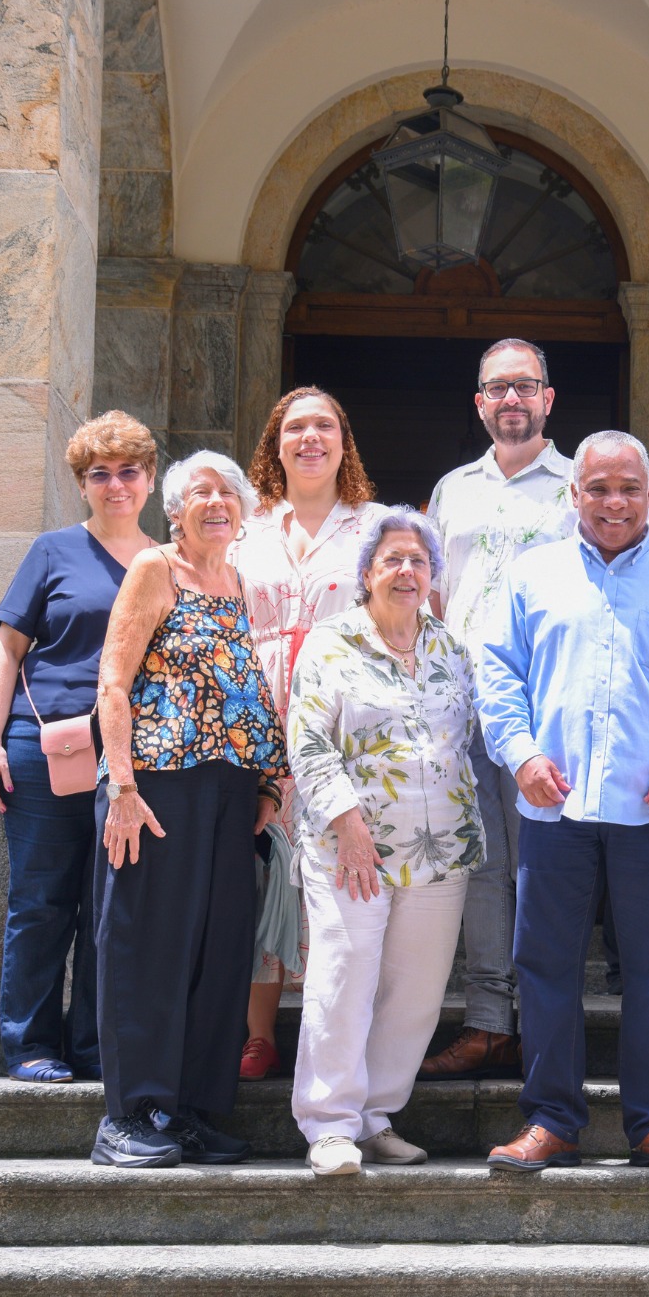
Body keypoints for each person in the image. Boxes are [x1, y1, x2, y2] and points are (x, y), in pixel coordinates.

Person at [478, 431, 649, 1173]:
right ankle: (552, 1119)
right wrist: (521, 753)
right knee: (544, 966)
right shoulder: (532, 576)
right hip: (555, 811)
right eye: (599, 488)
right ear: (575, 493)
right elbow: (496, 677)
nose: (614, 501)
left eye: (628, 487)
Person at [91, 451, 288, 1169]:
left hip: (230, 792)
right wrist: (120, 786)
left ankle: (194, 1111)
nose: (216, 503)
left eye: (228, 494)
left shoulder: (235, 579)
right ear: (174, 510)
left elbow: (240, 692)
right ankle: (131, 1117)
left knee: (219, 953)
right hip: (156, 788)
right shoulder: (155, 568)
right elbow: (112, 681)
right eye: (200, 493)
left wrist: (267, 784)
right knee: (149, 949)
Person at [288, 508, 484, 1176]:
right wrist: (346, 824)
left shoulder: (450, 648)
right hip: (354, 847)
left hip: (439, 848)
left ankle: (374, 1117)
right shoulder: (331, 642)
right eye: (392, 560)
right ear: (367, 573)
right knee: (344, 978)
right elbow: (308, 739)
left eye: (418, 561)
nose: (406, 572)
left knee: (416, 991)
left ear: (434, 577)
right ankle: (331, 1124)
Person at [0, 411, 157, 1083]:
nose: (116, 485)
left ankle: (92, 1046)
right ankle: (30, 1044)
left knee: (108, 904)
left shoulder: (160, 560)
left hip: (127, 760)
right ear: (82, 483)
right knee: (42, 900)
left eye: (128, 472)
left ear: (150, 479)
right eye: (99, 474)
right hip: (43, 748)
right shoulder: (52, 552)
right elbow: (7, 653)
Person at [419, 338, 576, 1080]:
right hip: (461, 703)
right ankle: (487, 1022)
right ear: (479, 403)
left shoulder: (580, 485)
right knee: (480, 865)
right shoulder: (453, 489)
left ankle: (546, 1023)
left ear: (549, 398)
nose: (511, 399)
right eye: (496, 388)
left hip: (546, 703)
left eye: (525, 386)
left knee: (543, 866)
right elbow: (436, 598)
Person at [233, 387, 385, 1081]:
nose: (311, 438)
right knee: (264, 877)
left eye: (325, 424)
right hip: (254, 715)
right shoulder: (244, 527)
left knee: (336, 880)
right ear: (276, 442)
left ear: (344, 440)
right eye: (296, 427)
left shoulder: (375, 527)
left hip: (341, 722)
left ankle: (339, 1044)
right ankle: (257, 1032)